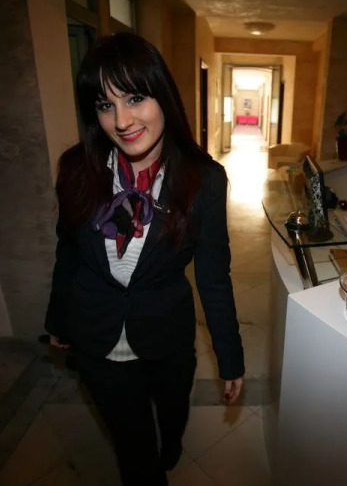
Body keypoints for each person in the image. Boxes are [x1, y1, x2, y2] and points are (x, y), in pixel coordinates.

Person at [45, 32, 244, 485]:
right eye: (105, 104)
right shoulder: (77, 168)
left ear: (163, 96)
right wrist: (58, 319)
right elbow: (68, 251)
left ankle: (170, 443)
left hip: (166, 335)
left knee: (172, 415)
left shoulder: (203, 179)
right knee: (135, 452)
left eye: (135, 98)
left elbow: (214, 277)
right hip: (96, 338)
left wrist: (229, 356)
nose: (122, 120)